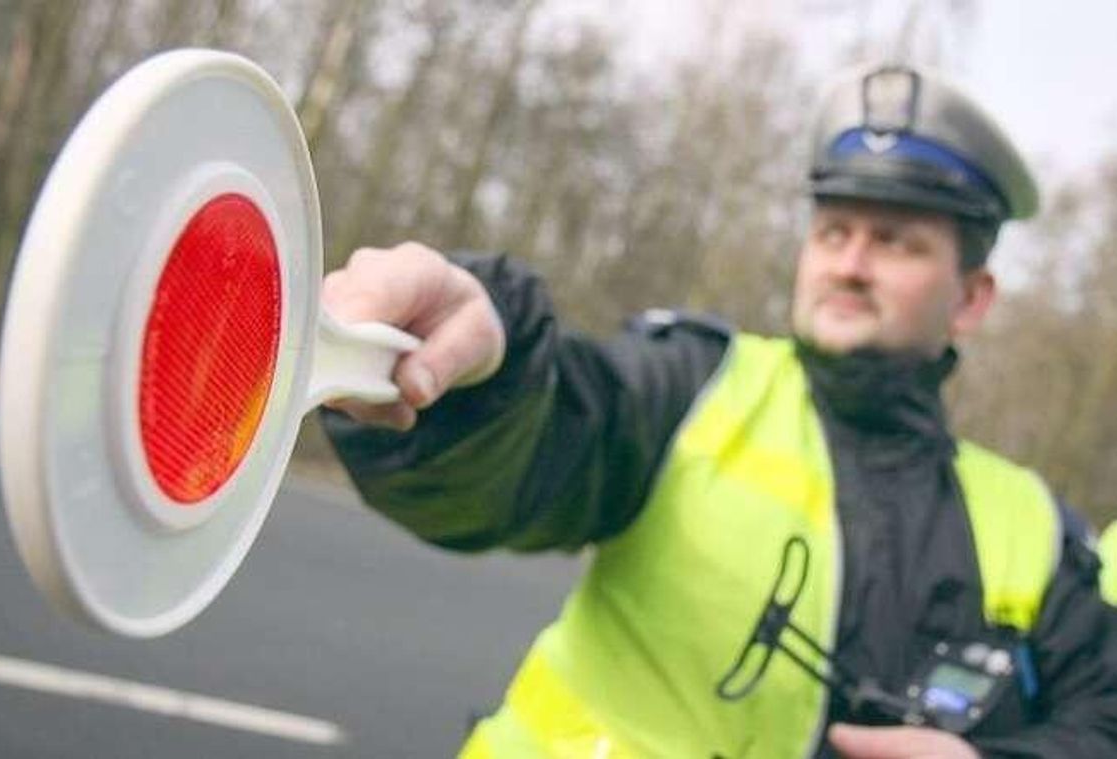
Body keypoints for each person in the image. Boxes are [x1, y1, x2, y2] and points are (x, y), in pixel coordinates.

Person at [320, 64, 1117, 758]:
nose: (849, 264)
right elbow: (528, 451)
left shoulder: (1038, 529)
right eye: (833, 231)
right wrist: (482, 378)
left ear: (971, 298)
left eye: (895, 241)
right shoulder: (693, 385)